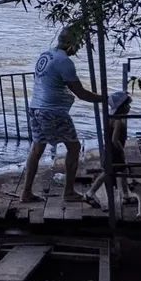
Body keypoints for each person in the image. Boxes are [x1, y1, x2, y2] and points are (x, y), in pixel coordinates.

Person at [21, 25, 99, 203]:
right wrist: (106, 99)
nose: (78, 49)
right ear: (72, 44)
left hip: (36, 108)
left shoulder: (46, 55)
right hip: (53, 112)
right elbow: (81, 93)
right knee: (74, 147)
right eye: (78, 45)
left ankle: (26, 192)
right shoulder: (64, 62)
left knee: (37, 147)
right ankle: (69, 192)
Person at [83, 90, 132, 209]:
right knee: (108, 173)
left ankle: (125, 196)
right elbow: (115, 139)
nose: (129, 107)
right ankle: (90, 193)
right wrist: (122, 151)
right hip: (115, 151)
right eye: (127, 105)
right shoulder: (118, 122)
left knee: (121, 171)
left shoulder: (111, 119)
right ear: (121, 107)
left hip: (109, 150)